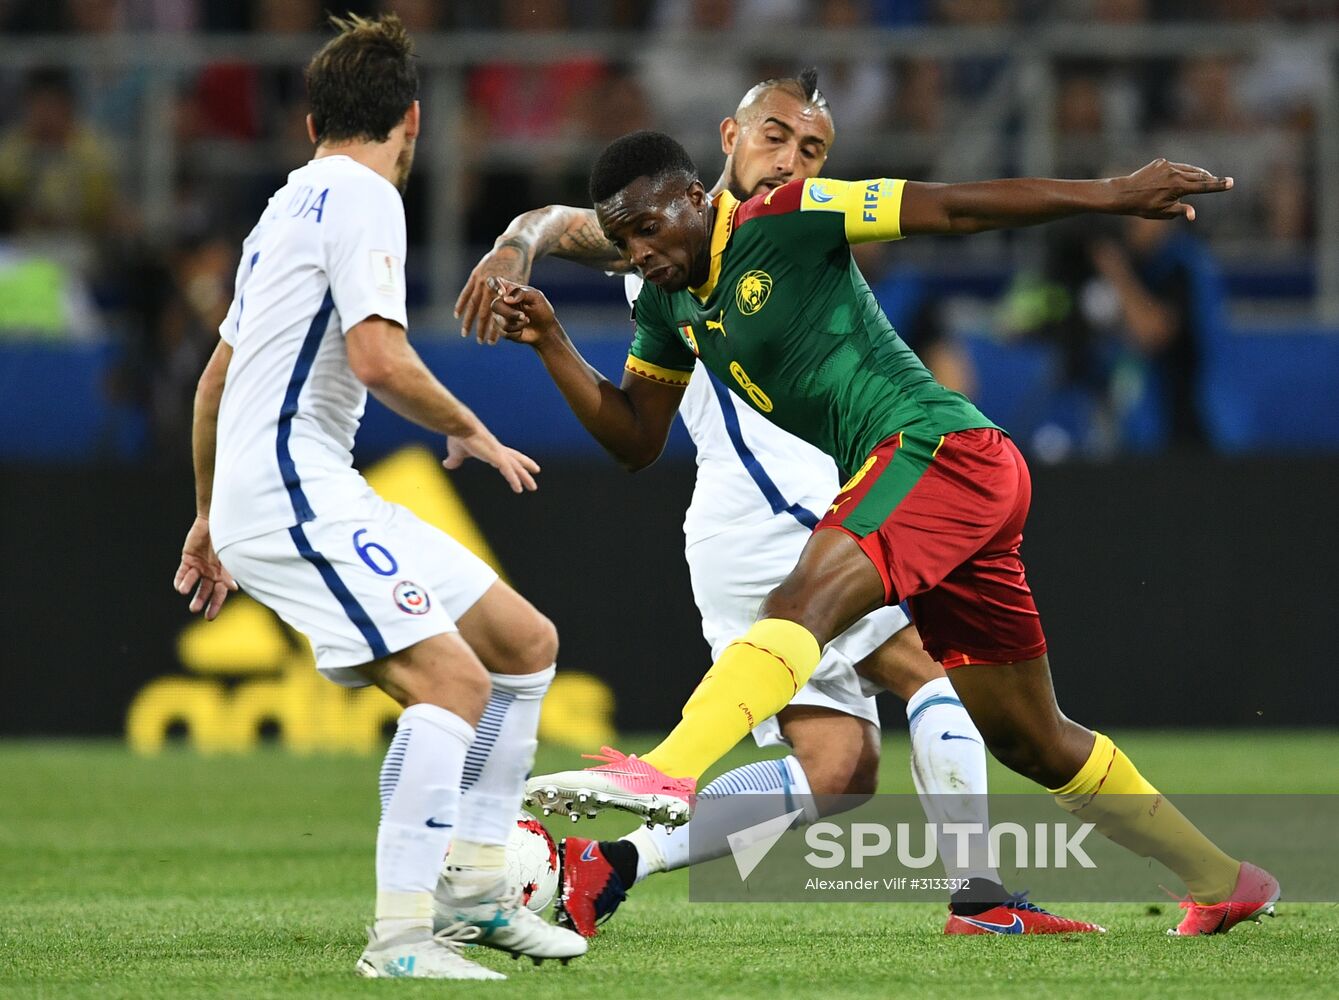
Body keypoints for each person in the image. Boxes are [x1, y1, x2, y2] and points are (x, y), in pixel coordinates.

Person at [491, 130, 1279, 937]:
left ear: (696, 198)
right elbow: (634, 440)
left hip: (937, 449)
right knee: (1029, 738)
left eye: (650, 228)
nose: (640, 251)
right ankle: (1223, 882)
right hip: (949, 487)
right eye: (623, 240)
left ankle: (666, 770)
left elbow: (953, 206)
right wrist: (553, 343)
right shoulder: (665, 305)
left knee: (803, 598)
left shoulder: (785, 215)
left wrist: (1110, 191)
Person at [457, 71, 1091, 936]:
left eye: (811, 148)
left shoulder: (780, 229)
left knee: (840, 770)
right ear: (727, 137)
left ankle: (605, 863)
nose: (789, 157)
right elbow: (558, 224)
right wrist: (510, 245)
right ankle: (978, 897)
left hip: (759, 519)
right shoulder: (656, 228)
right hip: (777, 513)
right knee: (934, 673)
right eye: (774, 136)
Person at [170, 14, 585, 979]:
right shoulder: (365, 197)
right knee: (453, 682)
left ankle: (477, 896)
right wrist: (468, 426)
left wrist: (204, 514)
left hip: (295, 487)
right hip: (294, 489)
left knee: (523, 646)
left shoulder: (281, 209)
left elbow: (212, 382)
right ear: (412, 120)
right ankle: (400, 941)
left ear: (311, 121)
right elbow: (377, 356)